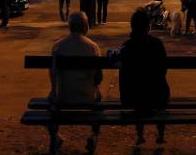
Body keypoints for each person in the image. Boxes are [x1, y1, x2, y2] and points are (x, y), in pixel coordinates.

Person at [49, 12, 103, 154]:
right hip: (87, 97)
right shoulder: (93, 47)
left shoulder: (58, 46)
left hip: (62, 97)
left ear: (70, 27)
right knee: (100, 98)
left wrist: (54, 90)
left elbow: (53, 74)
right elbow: (98, 79)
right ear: (86, 27)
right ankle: (94, 134)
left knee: (49, 100)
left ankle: (54, 136)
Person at [116, 9, 170, 146]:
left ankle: (140, 136)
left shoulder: (127, 46)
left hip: (133, 97)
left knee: (139, 95)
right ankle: (161, 134)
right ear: (148, 26)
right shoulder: (157, 44)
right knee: (160, 87)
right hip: (157, 95)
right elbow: (163, 70)